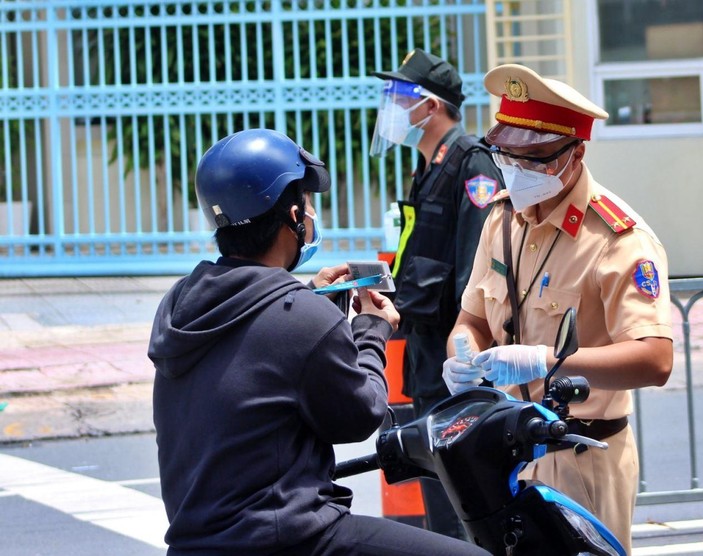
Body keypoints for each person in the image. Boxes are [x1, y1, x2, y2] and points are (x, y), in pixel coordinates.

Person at [148, 128, 488, 556]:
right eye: (307, 203)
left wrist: (308, 299)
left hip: (195, 541)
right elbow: (361, 414)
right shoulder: (299, 317)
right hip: (289, 539)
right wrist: (371, 329)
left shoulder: (183, 302)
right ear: (292, 216)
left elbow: (254, 338)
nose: (310, 213)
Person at [442, 64, 674, 554]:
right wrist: (462, 356)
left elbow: (655, 360)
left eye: (536, 158)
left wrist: (546, 361)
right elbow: (473, 319)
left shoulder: (618, 240)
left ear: (576, 153)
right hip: (504, 446)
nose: (519, 169)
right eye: (509, 156)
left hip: (580, 453)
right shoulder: (502, 220)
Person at [369, 48, 504, 539]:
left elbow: (476, 270)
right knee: (437, 496)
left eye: (400, 95)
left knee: (460, 498)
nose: (391, 105)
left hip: (453, 359)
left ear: (431, 106)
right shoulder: (425, 169)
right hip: (425, 357)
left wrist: (466, 354)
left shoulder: (471, 164)